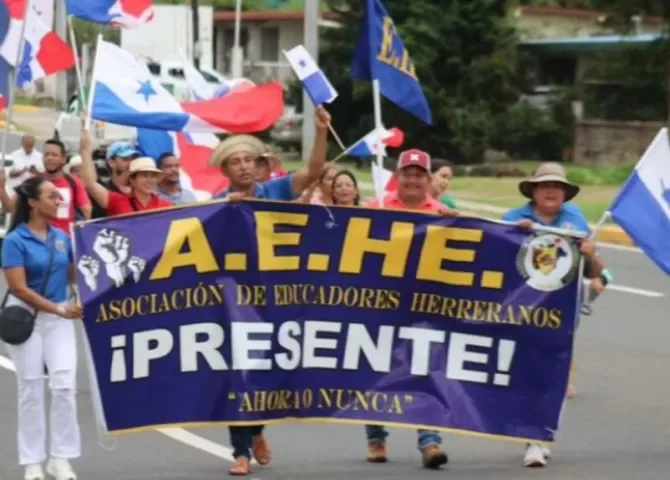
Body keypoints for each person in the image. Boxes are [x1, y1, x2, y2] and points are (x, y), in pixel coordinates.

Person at [209, 106, 331, 476]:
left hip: (277, 297)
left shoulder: (275, 189)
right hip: (235, 301)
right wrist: (223, 210)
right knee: (238, 372)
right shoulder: (215, 203)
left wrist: (321, 132)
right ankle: (240, 452)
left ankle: (257, 429)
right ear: (225, 171)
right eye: (235, 162)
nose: (244, 167)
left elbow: (313, 171)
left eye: (249, 160)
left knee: (271, 368)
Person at [502, 162, 607, 468]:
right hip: (521, 313)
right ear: (533, 191)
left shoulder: (575, 220)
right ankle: (533, 436)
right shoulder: (512, 219)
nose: (552, 191)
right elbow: (495, 261)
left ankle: (539, 437)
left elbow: (594, 271)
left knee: (552, 378)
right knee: (525, 376)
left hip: (560, 315)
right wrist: (513, 237)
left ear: (565, 194)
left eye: (558, 187)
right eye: (546, 186)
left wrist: (590, 254)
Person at [364, 148, 454, 469]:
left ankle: (430, 442)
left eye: (419, 174)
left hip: (425, 306)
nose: (413, 180)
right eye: (407, 173)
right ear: (397, 176)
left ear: (428, 179)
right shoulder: (376, 208)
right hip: (380, 303)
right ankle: (375, 436)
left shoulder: (443, 213)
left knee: (425, 370)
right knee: (376, 368)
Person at [1, 176, 83, 480]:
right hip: (28, 317)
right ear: (33, 203)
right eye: (52, 196)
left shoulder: (62, 237)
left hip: (58, 320)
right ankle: (32, 461)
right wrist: (60, 309)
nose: (59, 200)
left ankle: (60, 458)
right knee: (31, 388)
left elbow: (74, 275)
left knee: (64, 386)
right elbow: (19, 288)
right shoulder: (15, 240)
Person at [0, 139, 92, 232]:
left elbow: (86, 212)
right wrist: (2, 188)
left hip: (65, 238)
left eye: (54, 155)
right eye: (46, 154)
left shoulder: (73, 182)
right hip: (38, 237)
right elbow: (9, 207)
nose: (49, 158)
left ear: (63, 159)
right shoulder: (32, 182)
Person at [79, 131, 172, 216]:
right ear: (132, 180)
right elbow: (90, 184)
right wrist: (85, 150)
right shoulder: (118, 202)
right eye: (144, 175)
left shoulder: (166, 206)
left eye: (153, 176)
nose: (150, 180)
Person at [89, 140, 139, 219]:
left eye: (133, 159)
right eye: (126, 159)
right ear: (111, 162)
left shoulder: (141, 189)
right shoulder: (103, 190)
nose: (131, 163)